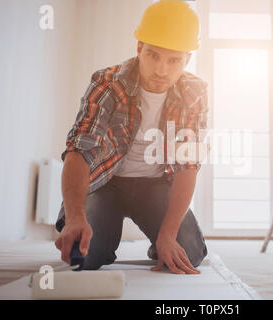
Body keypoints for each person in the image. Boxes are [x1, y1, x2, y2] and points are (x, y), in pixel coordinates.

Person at [54, 0, 209, 274]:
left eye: (174, 60)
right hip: (105, 184)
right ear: (139, 48)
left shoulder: (194, 93)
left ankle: (158, 240)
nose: (161, 70)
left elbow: (188, 165)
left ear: (188, 59)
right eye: (153, 55)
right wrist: (76, 216)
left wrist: (169, 234)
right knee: (83, 257)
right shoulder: (108, 82)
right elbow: (80, 149)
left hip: (155, 185)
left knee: (190, 253)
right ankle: (101, 237)